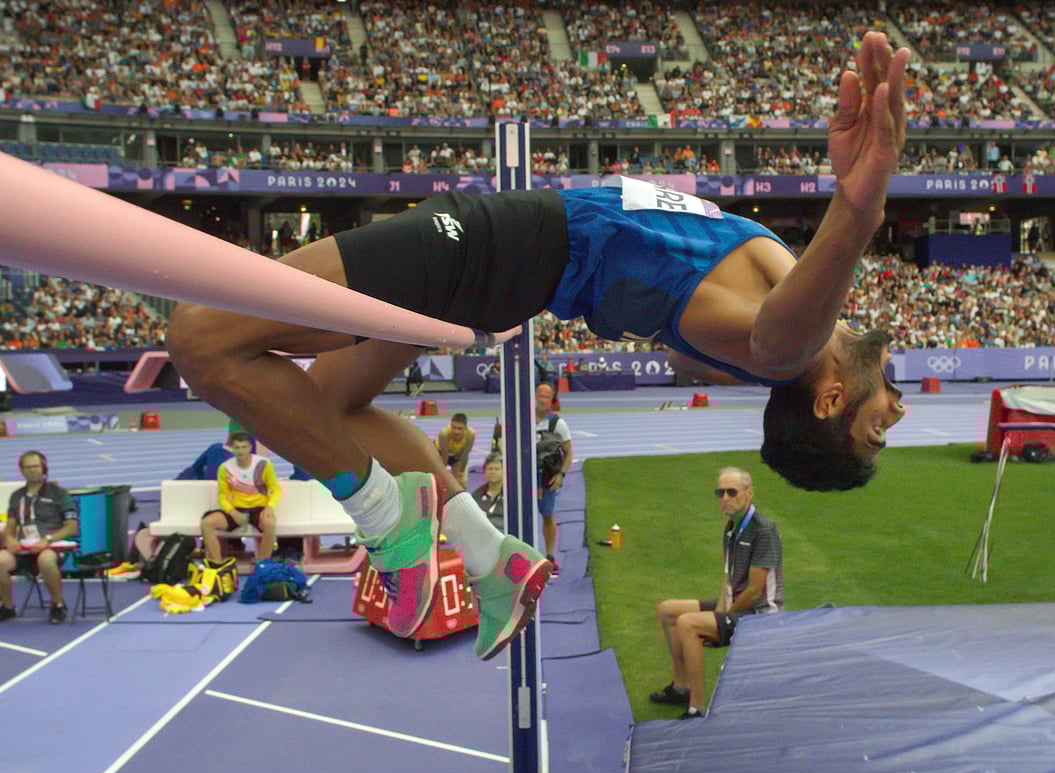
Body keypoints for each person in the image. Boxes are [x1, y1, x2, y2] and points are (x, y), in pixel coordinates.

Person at [164, 32, 908, 661]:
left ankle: (390, 532)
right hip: (512, 269)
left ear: (831, 398)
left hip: (504, 247)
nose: (897, 409)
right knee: (326, 407)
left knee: (201, 338)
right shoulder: (762, 324)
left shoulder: (779, 348)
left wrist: (860, 203)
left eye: (876, 428)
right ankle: (491, 557)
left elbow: (784, 338)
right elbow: (706, 346)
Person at [649, 468, 783, 718]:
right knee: (667, 610)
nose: (725, 498)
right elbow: (728, 580)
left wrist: (725, 612)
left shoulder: (763, 531)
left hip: (760, 614)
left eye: (732, 492)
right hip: (736, 605)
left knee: (687, 623)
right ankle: (680, 687)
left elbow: (755, 591)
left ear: (749, 493)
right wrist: (722, 608)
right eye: (720, 493)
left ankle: (697, 706)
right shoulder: (732, 528)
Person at [0, 451, 80, 623]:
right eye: (27, 467)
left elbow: (72, 527)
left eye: (35, 466)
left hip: (51, 547)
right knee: (0, 559)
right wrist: (10, 540)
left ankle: (57, 605)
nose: (32, 470)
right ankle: (7, 607)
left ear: (43, 468)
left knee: (45, 559)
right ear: (21, 470)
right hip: (24, 549)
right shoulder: (16, 496)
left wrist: (47, 539)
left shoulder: (59, 493)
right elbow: (10, 528)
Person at [199, 432, 281, 562]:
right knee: (207, 523)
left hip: (259, 508)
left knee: (270, 524)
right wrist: (232, 512)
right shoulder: (225, 468)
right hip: (237, 509)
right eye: (237, 447)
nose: (240, 451)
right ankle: (217, 564)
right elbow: (222, 496)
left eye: (244, 447)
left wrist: (270, 507)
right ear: (232, 448)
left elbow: (276, 490)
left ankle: (262, 564)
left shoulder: (264, 465)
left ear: (250, 448)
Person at [536, 381, 573, 575]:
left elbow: (568, 452)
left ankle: (549, 556)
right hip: (524, 475)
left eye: (546, 397)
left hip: (546, 476)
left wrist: (561, 474)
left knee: (548, 515)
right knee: (518, 513)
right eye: (539, 395)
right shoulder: (522, 418)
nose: (541, 400)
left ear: (552, 401)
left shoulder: (558, 424)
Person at [435, 412, 476, 487]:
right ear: (450, 426)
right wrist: (442, 473)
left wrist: (461, 472)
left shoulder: (470, 435)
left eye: (460, 428)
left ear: (465, 428)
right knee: (439, 480)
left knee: (462, 482)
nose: (456, 431)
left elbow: (465, 455)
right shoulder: (444, 433)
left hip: (457, 456)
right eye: (453, 427)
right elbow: (445, 456)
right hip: (440, 454)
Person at [471, 451, 506, 533]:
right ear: (484, 471)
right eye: (490, 469)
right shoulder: (477, 495)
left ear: (503, 471)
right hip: (484, 535)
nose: (493, 472)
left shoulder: (511, 495)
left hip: (505, 536)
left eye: (496, 469)